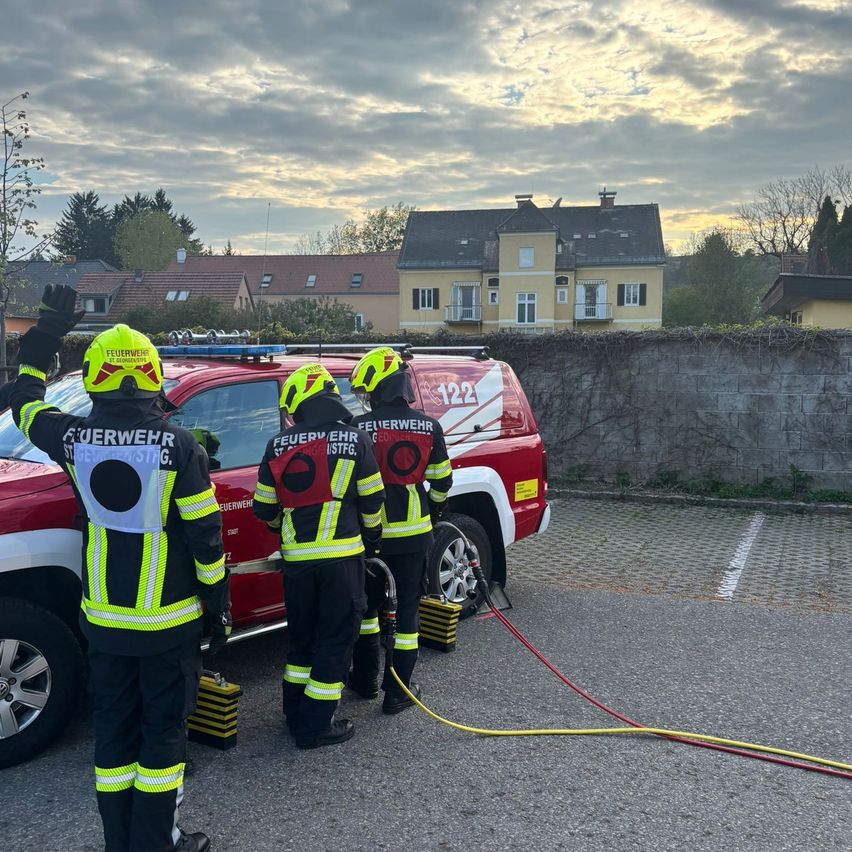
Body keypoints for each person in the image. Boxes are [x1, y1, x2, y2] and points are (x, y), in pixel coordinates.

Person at [9, 285, 230, 852]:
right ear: (153, 376)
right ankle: (158, 843)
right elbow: (206, 538)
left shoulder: (72, 437)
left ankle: (119, 844)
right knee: (161, 737)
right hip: (168, 624)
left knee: (113, 738)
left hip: (104, 625)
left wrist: (48, 331)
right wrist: (217, 608)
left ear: (94, 380)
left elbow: (25, 398)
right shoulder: (181, 447)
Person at [252, 363, 384, 749]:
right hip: (343, 560)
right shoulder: (357, 440)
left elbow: (264, 507)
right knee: (336, 640)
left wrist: (284, 527)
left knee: (302, 642)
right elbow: (372, 499)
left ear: (298, 404)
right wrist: (371, 539)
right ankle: (315, 726)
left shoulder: (277, 444)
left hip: (297, 562)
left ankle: (294, 713)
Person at [347, 347, 453, 714]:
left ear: (379, 389)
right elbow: (442, 482)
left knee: (366, 611)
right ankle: (398, 694)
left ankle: (364, 682)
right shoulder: (430, 426)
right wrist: (432, 512)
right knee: (406, 615)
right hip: (412, 537)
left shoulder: (356, 429)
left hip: (366, 538)